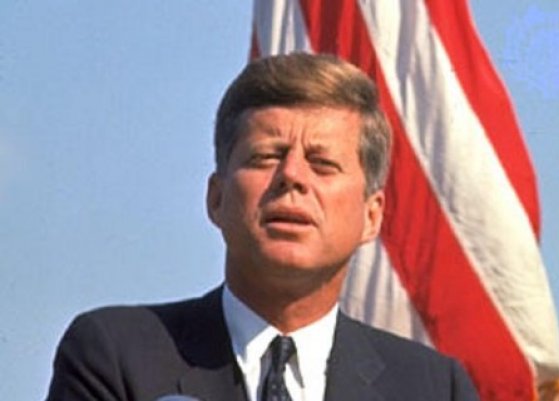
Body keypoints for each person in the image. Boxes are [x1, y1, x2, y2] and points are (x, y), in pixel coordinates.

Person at [46, 53, 479, 401]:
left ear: (371, 215)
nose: (292, 176)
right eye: (265, 157)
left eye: (322, 164)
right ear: (216, 199)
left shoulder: (434, 388)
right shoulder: (117, 355)